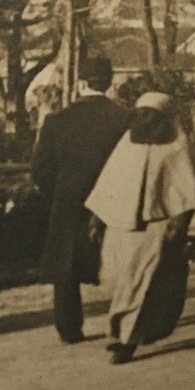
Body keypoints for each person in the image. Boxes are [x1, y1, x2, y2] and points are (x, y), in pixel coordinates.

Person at [85, 92, 195, 363]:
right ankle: (128, 329)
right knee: (120, 279)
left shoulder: (177, 146)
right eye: (141, 114)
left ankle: (127, 339)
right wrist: (97, 219)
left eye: (151, 115)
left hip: (155, 223)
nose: (145, 120)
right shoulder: (127, 143)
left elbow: (186, 188)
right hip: (120, 223)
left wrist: (180, 223)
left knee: (140, 280)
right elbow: (109, 181)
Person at [30, 56, 131, 344]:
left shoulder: (56, 121)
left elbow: (40, 170)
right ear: (110, 82)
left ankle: (69, 328)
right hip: (117, 198)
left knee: (66, 267)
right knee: (124, 261)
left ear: (82, 83)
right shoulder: (125, 119)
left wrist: (59, 193)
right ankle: (124, 323)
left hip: (69, 200)